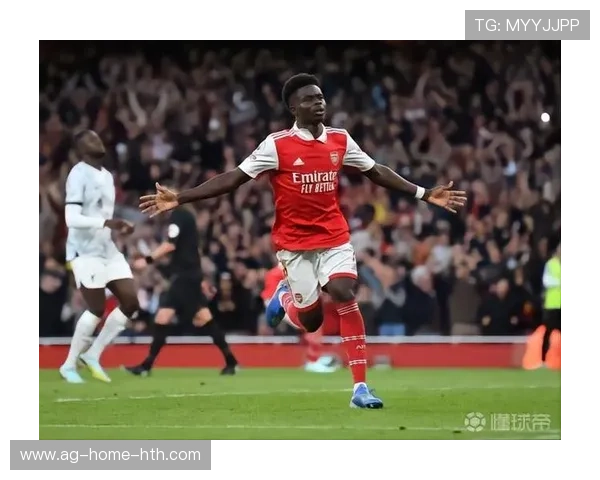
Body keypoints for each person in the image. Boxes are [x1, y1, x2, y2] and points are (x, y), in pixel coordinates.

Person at [138, 74, 467, 409]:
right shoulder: (276, 145)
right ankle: (284, 298)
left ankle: (360, 388)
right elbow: (234, 178)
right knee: (312, 321)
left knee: (343, 291)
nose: (319, 103)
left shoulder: (340, 139)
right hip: (294, 246)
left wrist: (424, 193)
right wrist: (181, 197)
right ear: (294, 108)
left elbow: (376, 171)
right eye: (310, 99)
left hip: (334, 237)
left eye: (320, 97)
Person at [59, 129, 140, 384]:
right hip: (84, 251)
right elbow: (71, 218)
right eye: (91, 139)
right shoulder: (78, 174)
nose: (98, 140)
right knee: (96, 308)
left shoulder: (106, 176)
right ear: (81, 149)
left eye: (98, 137)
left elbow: (104, 217)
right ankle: (68, 365)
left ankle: (92, 354)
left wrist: (118, 226)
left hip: (107, 248)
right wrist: (106, 223)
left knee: (130, 303)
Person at [125, 203, 239, 376]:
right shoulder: (187, 217)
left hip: (184, 277)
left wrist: (146, 260)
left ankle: (146, 367)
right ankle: (231, 361)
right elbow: (193, 250)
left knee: (163, 317)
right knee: (204, 317)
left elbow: (170, 245)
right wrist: (199, 278)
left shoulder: (177, 216)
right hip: (190, 276)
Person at [261, 263, 338, 373]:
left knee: (314, 323)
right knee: (312, 325)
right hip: (281, 311)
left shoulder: (297, 271)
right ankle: (312, 361)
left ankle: (313, 359)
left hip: (295, 307)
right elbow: (269, 299)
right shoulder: (275, 274)